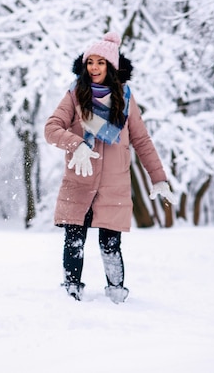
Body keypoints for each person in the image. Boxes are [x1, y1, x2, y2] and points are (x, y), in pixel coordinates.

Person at [44, 32, 176, 304]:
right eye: (90, 62)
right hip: (79, 180)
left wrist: (158, 178)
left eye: (100, 62)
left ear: (111, 66)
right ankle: (71, 291)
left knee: (110, 243)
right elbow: (51, 129)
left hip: (114, 183)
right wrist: (76, 144)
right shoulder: (74, 94)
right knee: (74, 240)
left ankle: (116, 293)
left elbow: (141, 140)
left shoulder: (125, 99)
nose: (94, 68)